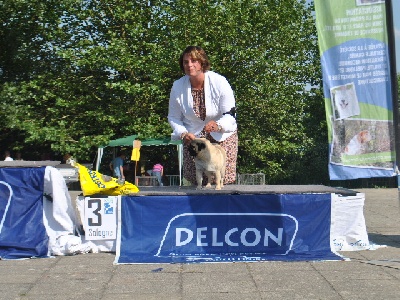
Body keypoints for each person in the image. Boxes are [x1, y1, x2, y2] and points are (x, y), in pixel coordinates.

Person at [168, 45, 238, 186]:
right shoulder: (177, 86)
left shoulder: (220, 82)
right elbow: (173, 117)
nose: (189, 65)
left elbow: (230, 114)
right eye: (186, 62)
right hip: (194, 139)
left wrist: (218, 125)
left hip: (221, 137)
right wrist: (183, 133)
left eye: (194, 61)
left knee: (222, 180)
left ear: (202, 62)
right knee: (197, 181)